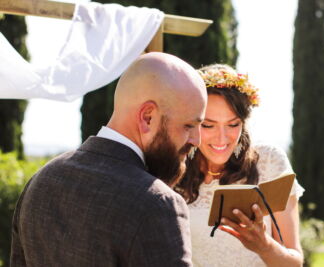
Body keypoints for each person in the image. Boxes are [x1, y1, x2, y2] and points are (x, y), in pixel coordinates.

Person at [10, 52, 207, 267]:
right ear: (147, 117)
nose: (197, 140)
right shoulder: (156, 203)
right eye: (189, 125)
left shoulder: (41, 180)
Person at [176, 64, 305, 266]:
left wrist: (264, 246)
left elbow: (295, 263)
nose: (222, 138)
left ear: (243, 123)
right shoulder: (173, 168)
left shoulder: (270, 162)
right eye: (208, 125)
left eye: (233, 124)